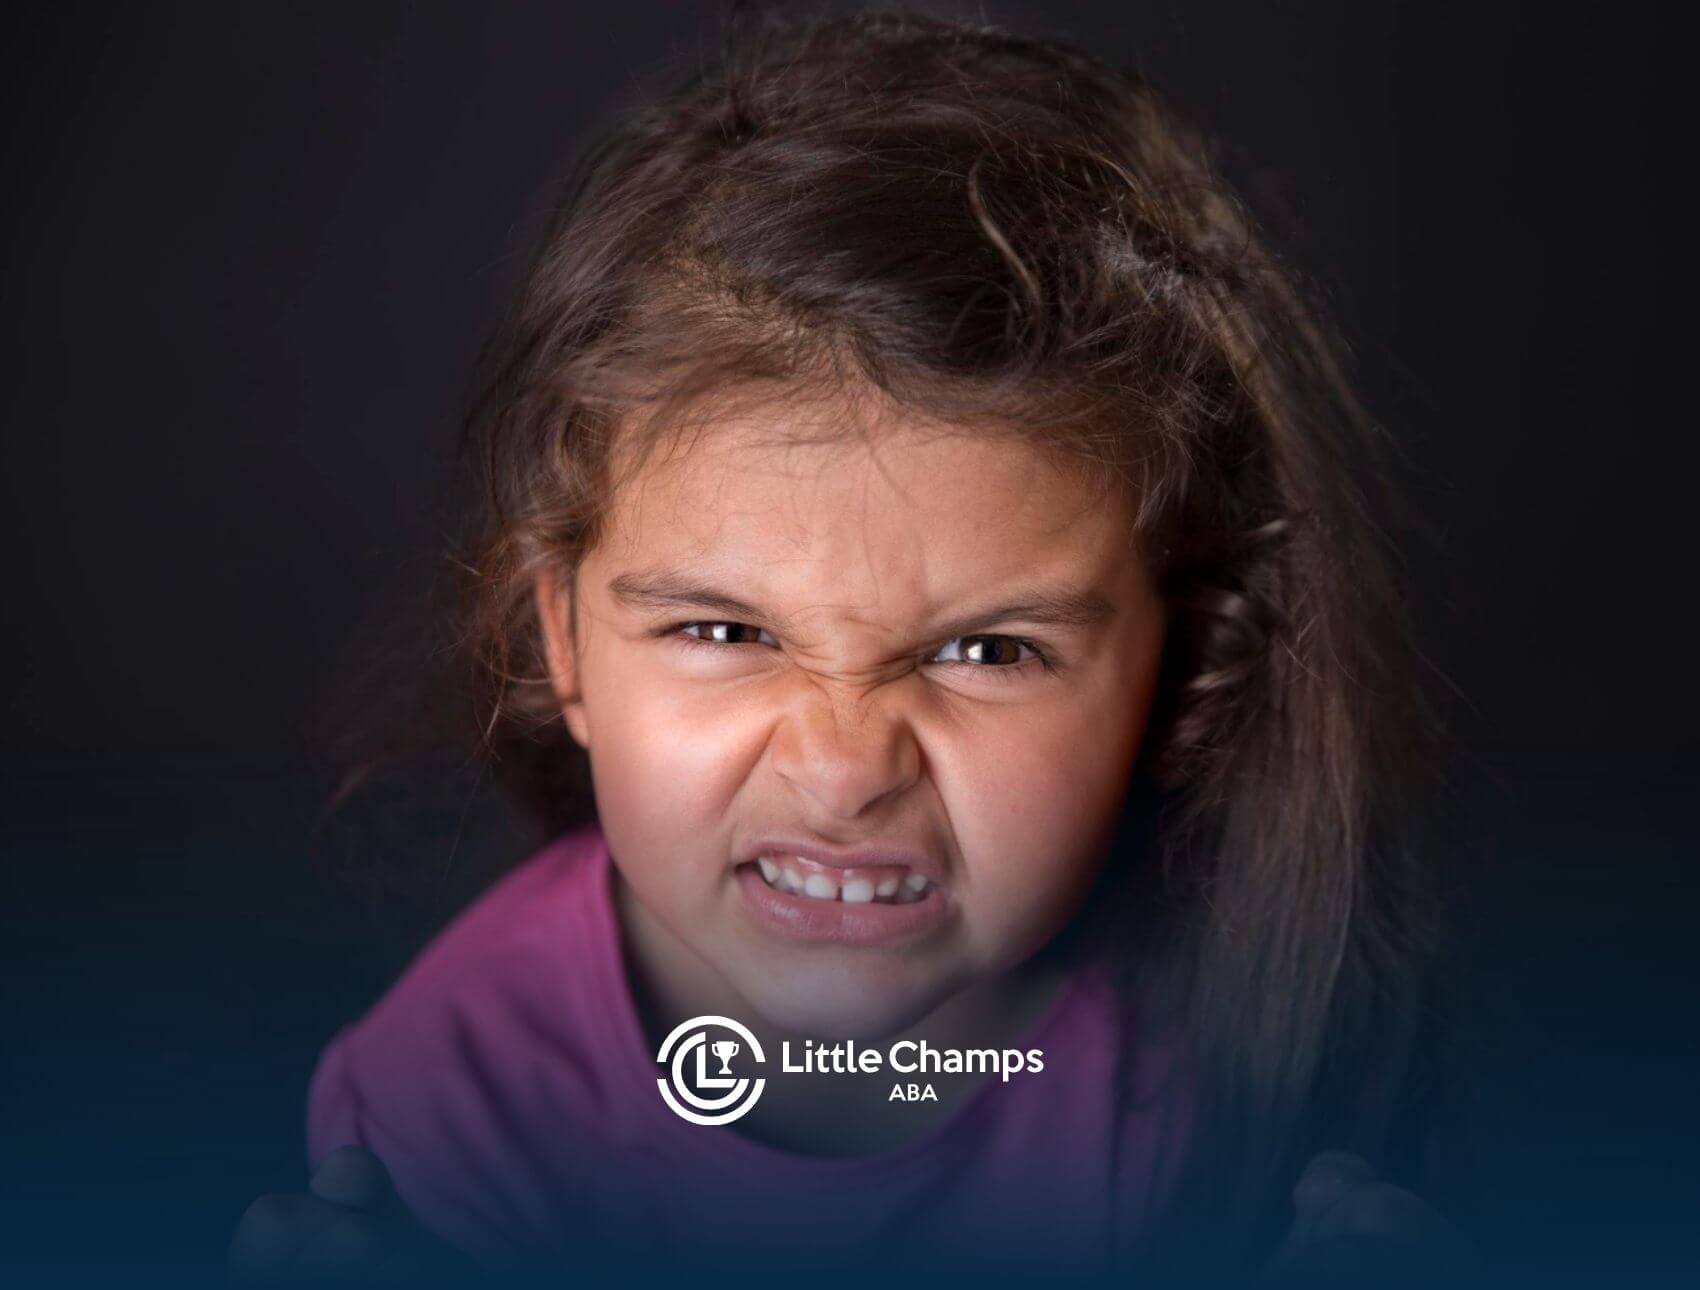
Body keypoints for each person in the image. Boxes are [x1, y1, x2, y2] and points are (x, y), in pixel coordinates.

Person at [230, 5, 1480, 1285]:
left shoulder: (1238, 1063)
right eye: (723, 630)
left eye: (986, 652)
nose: (842, 773)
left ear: (1181, 672)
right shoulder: (449, 1110)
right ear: (563, 640)